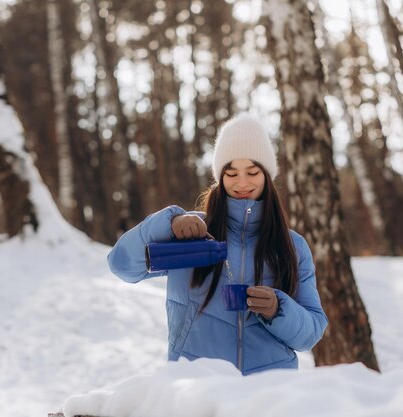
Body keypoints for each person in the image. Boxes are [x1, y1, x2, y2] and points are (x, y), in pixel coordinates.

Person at [107, 113, 328, 375]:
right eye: (231, 173)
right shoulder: (190, 232)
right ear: (219, 177)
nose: (242, 183)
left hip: (269, 392)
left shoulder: (292, 246)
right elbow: (121, 265)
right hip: (199, 388)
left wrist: (278, 308)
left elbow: (311, 332)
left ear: (267, 175)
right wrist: (167, 223)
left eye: (252, 172)